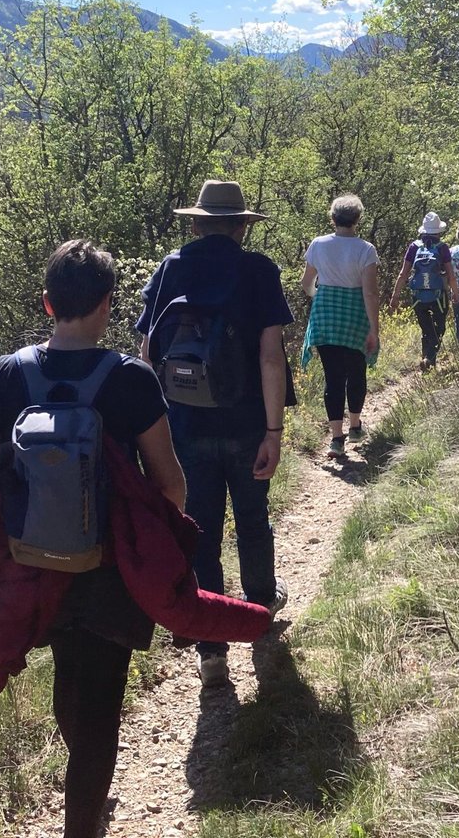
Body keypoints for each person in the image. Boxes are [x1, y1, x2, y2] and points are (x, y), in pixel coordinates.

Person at [0, 239, 190, 838]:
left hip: (28, 568)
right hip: (108, 569)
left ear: (47, 303)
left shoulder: (6, 376)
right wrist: (159, 557)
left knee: (67, 689)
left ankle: (86, 799)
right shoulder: (131, 379)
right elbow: (170, 482)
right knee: (99, 698)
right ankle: (85, 815)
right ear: (107, 303)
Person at [135, 180, 293, 686]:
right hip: (247, 424)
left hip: (184, 427)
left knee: (200, 530)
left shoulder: (170, 269)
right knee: (252, 519)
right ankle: (261, 614)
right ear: (242, 226)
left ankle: (212, 651)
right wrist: (274, 431)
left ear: (197, 224)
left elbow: (147, 357)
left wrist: (152, 434)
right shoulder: (259, 270)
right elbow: (271, 358)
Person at [299, 193, 381, 459]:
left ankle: (336, 439)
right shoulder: (365, 250)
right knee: (356, 371)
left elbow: (306, 283)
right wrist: (374, 329)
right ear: (357, 219)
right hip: (355, 316)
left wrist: (319, 297)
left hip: (325, 316)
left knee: (333, 377)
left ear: (333, 218)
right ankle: (355, 426)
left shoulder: (318, 244)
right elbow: (370, 293)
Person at [388, 211, 458, 371]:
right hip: (438, 296)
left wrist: (395, 296)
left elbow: (403, 273)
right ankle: (429, 359)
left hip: (418, 296)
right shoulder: (442, 248)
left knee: (426, 328)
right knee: (439, 328)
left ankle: (426, 359)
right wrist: (456, 293)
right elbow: (451, 275)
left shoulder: (414, 247)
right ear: (439, 231)